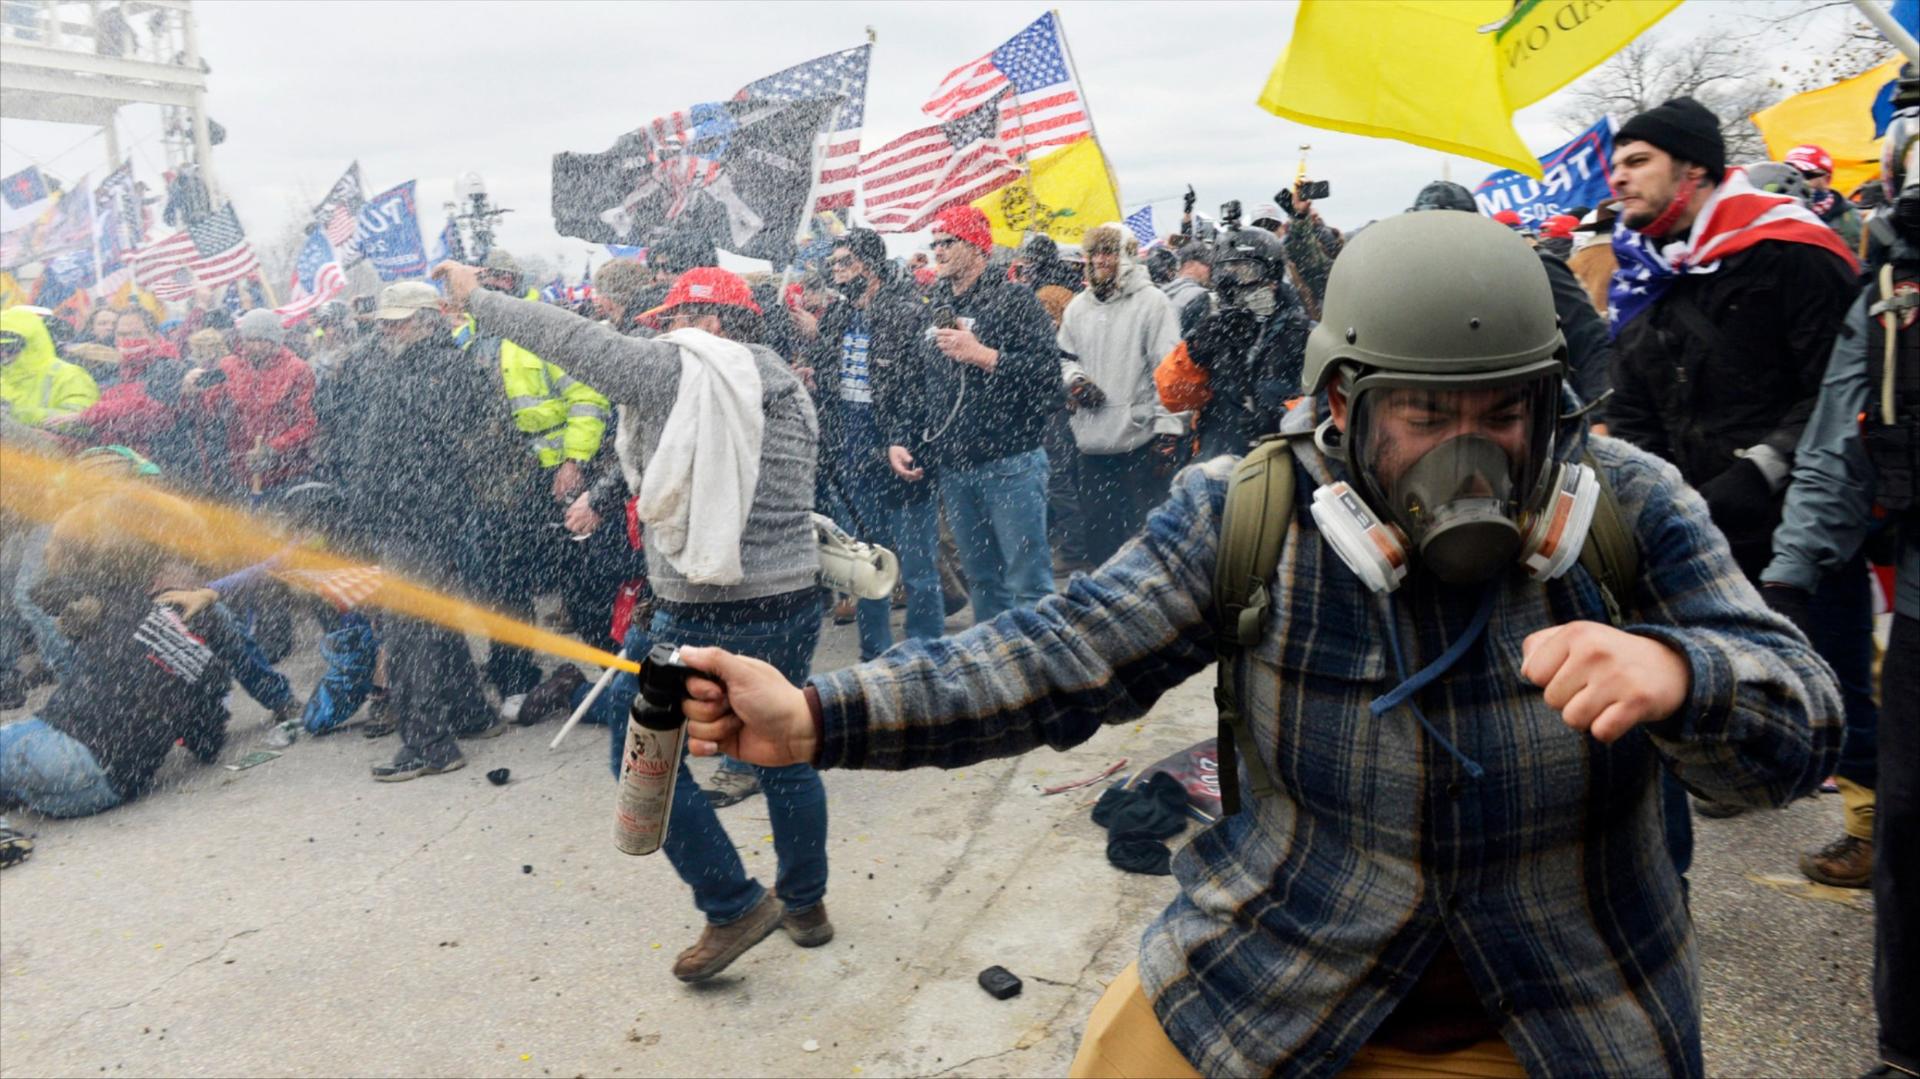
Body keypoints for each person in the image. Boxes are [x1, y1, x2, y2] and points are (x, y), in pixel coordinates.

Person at [673, 211, 1841, 1077]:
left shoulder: (1627, 504)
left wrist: (1689, 675)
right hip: (1267, 988)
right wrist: (822, 713)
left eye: (1502, 414)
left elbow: (1801, 712)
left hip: (1568, 1018)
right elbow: (1054, 651)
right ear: (1341, 405)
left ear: (1553, 407)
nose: (1468, 454)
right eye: (1424, 416)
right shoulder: (1251, 512)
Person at [437, 258, 833, 983]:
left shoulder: (693, 372)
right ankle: (804, 903)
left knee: (642, 756)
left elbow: (581, 344)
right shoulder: (783, 381)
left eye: (677, 320)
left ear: (713, 322)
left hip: (711, 610)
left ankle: (732, 902)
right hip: (790, 598)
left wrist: (481, 301)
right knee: (782, 746)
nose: (667, 336)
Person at [1603, 97, 1868, 827]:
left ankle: (1870, 820)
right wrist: (1647, 490)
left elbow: (1838, 386)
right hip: (1701, 520)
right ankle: (1736, 769)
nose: (1617, 180)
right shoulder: (1642, 275)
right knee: (1718, 662)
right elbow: (1632, 405)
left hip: (1799, 519)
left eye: (1636, 162)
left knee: (1831, 673)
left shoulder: (1793, 251)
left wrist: (1762, 469)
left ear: (1694, 169)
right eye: (1615, 165)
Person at [1760, 93, 1918, 1076]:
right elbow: (1834, 434)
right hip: (1917, 597)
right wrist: (1786, 573)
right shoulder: (1890, 279)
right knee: (1912, 824)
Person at [330, 281, 501, 782]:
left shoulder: (439, 368)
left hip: (418, 514)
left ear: (428, 320)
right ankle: (471, 713)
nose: (387, 328)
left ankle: (429, 744)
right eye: (384, 320)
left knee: (407, 632)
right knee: (435, 618)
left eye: (398, 320)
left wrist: (383, 498)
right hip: (410, 513)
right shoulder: (404, 365)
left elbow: (428, 446)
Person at [1, 487, 240, 819]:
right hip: (111, 789)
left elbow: (39, 592)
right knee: (24, 764)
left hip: (64, 754)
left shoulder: (117, 603)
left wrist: (64, 551)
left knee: (15, 739)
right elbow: (208, 742)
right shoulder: (210, 662)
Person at [900, 206, 1059, 623]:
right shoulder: (934, 302)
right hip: (955, 467)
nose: (938, 251)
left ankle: (1041, 675)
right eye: (934, 243)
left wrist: (985, 356)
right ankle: (998, 673)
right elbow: (922, 383)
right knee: (983, 581)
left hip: (1010, 463)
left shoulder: (1014, 299)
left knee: (1028, 583)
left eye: (947, 242)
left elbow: (1047, 376)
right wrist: (904, 438)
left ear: (977, 248)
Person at [807, 228, 944, 661]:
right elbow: (835, 384)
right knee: (864, 569)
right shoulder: (835, 317)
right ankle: (876, 659)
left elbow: (921, 388)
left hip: (901, 458)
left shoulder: (906, 313)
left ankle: (926, 657)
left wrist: (898, 438)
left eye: (844, 263)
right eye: (834, 266)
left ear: (869, 264)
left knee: (918, 569)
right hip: (851, 459)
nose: (837, 273)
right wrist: (814, 381)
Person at [1406, 180, 1614, 424]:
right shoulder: (1416, 284)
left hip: (1535, 423)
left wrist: (1599, 417)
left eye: (1448, 230)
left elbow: (1591, 339)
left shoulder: (1531, 267)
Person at [1056, 222, 1185, 565]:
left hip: (1140, 444)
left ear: (1127, 256)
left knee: (1145, 547)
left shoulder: (1152, 303)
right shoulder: (1077, 308)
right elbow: (1064, 359)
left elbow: (1169, 370)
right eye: (1094, 252)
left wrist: (1169, 431)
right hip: (1092, 445)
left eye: (1108, 251)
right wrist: (1075, 381)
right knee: (1100, 547)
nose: (1100, 260)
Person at [1174, 222, 1311, 459]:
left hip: (1281, 461)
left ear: (1272, 278)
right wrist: (1195, 351)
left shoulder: (1301, 334)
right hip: (1217, 456)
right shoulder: (1215, 326)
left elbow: (1325, 406)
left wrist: (1280, 416)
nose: (1235, 281)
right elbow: (1174, 398)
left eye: (1245, 269)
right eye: (1227, 271)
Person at [184, 309, 317, 498]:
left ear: (276, 341)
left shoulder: (297, 370)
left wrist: (273, 448)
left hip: (286, 474)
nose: (256, 346)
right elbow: (210, 408)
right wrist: (194, 392)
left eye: (263, 340)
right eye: (250, 340)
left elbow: (306, 423)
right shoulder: (229, 366)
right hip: (239, 472)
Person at [1, 307, 99, 428]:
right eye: (0, 348)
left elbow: (80, 424)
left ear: (33, 344)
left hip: (48, 446)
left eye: (10, 347)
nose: (3, 354)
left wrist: (14, 413)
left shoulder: (70, 376)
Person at [1786, 143, 1865, 252]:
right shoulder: (1774, 212)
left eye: (1806, 175)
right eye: (1789, 176)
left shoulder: (1847, 217)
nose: (1798, 182)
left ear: (1827, 179)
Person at [1160, 243, 1212, 339]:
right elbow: (1194, 342)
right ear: (1189, 265)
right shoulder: (1199, 295)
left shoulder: (1163, 292)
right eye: (1205, 264)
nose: (1209, 269)